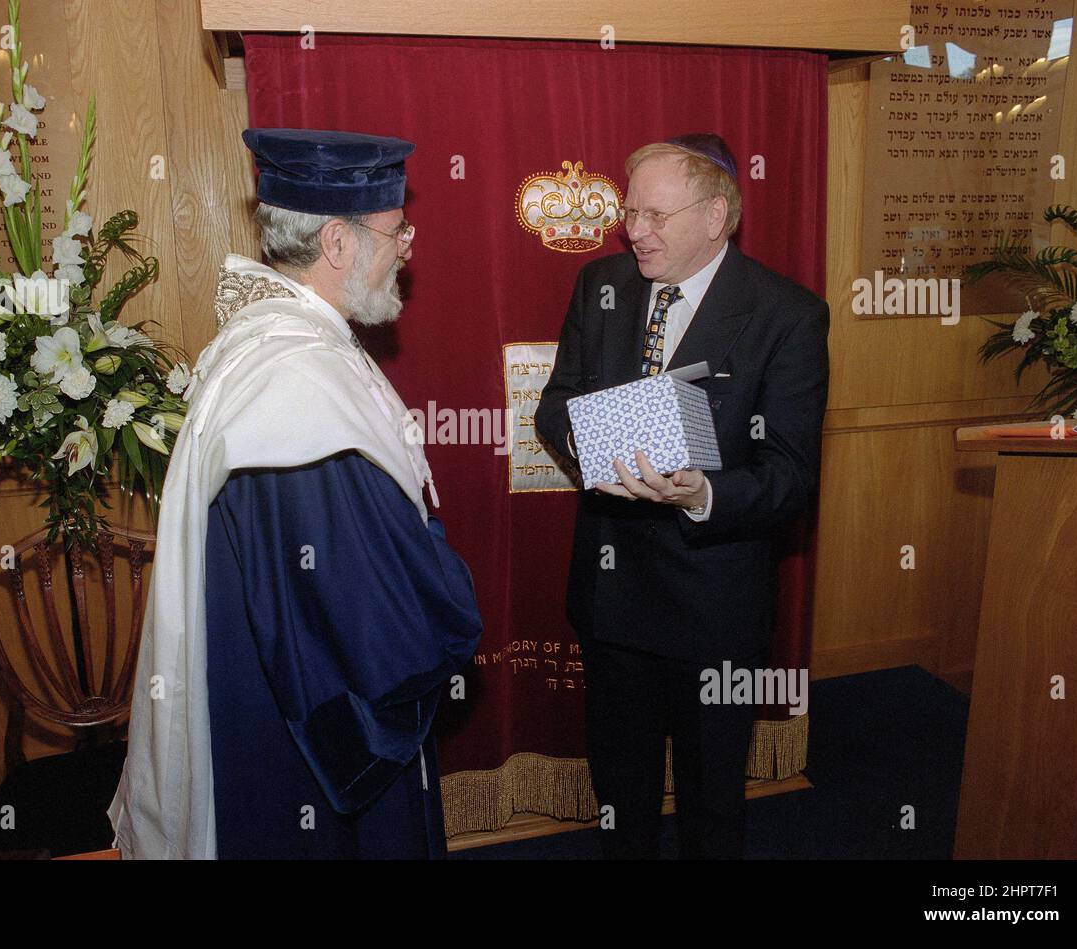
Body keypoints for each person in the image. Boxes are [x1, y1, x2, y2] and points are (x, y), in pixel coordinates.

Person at [108, 128, 483, 859]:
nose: (407, 245)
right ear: (338, 243)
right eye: (395, 229)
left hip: (266, 698)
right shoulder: (295, 386)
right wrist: (438, 568)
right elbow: (368, 624)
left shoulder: (279, 344)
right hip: (306, 753)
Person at [535, 134, 829, 859]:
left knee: (710, 801)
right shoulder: (599, 285)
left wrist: (702, 492)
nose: (634, 230)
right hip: (612, 598)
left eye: (656, 215)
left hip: (713, 608)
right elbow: (554, 404)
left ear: (716, 215)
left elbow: (791, 476)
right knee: (622, 795)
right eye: (629, 211)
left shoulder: (787, 314)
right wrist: (587, 443)